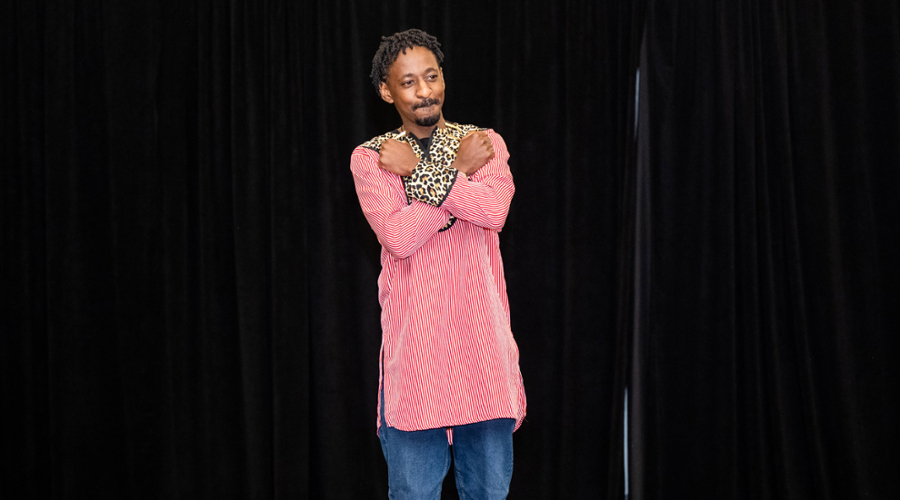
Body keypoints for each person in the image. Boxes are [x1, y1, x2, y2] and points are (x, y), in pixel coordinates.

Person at [350, 29, 526, 500]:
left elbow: (494, 213)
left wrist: (421, 176)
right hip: (416, 362)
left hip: (482, 358)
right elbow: (399, 237)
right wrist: (458, 179)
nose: (424, 90)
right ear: (387, 91)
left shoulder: (484, 143)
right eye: (408, 82)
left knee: (489, 493)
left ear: (444, 79)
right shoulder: (373, 158)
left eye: (431, 76)